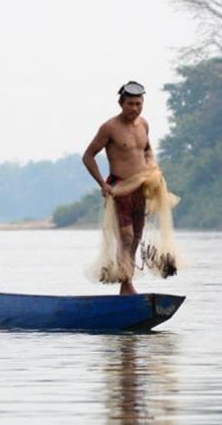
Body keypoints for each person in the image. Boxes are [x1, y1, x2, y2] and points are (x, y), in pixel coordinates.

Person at [82, 81, 155, 295]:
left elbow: (148, 150)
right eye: (130, 103)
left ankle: (126, 282)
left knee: (137, 236)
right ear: (121, 103)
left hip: (140, 188)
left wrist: (152, 166)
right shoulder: (109, 128)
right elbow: (88, 156)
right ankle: (128, 284)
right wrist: (102, 184)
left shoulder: (144, 125)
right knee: (126, 237)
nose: (135, 108)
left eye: (138, 104)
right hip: (118, 188)